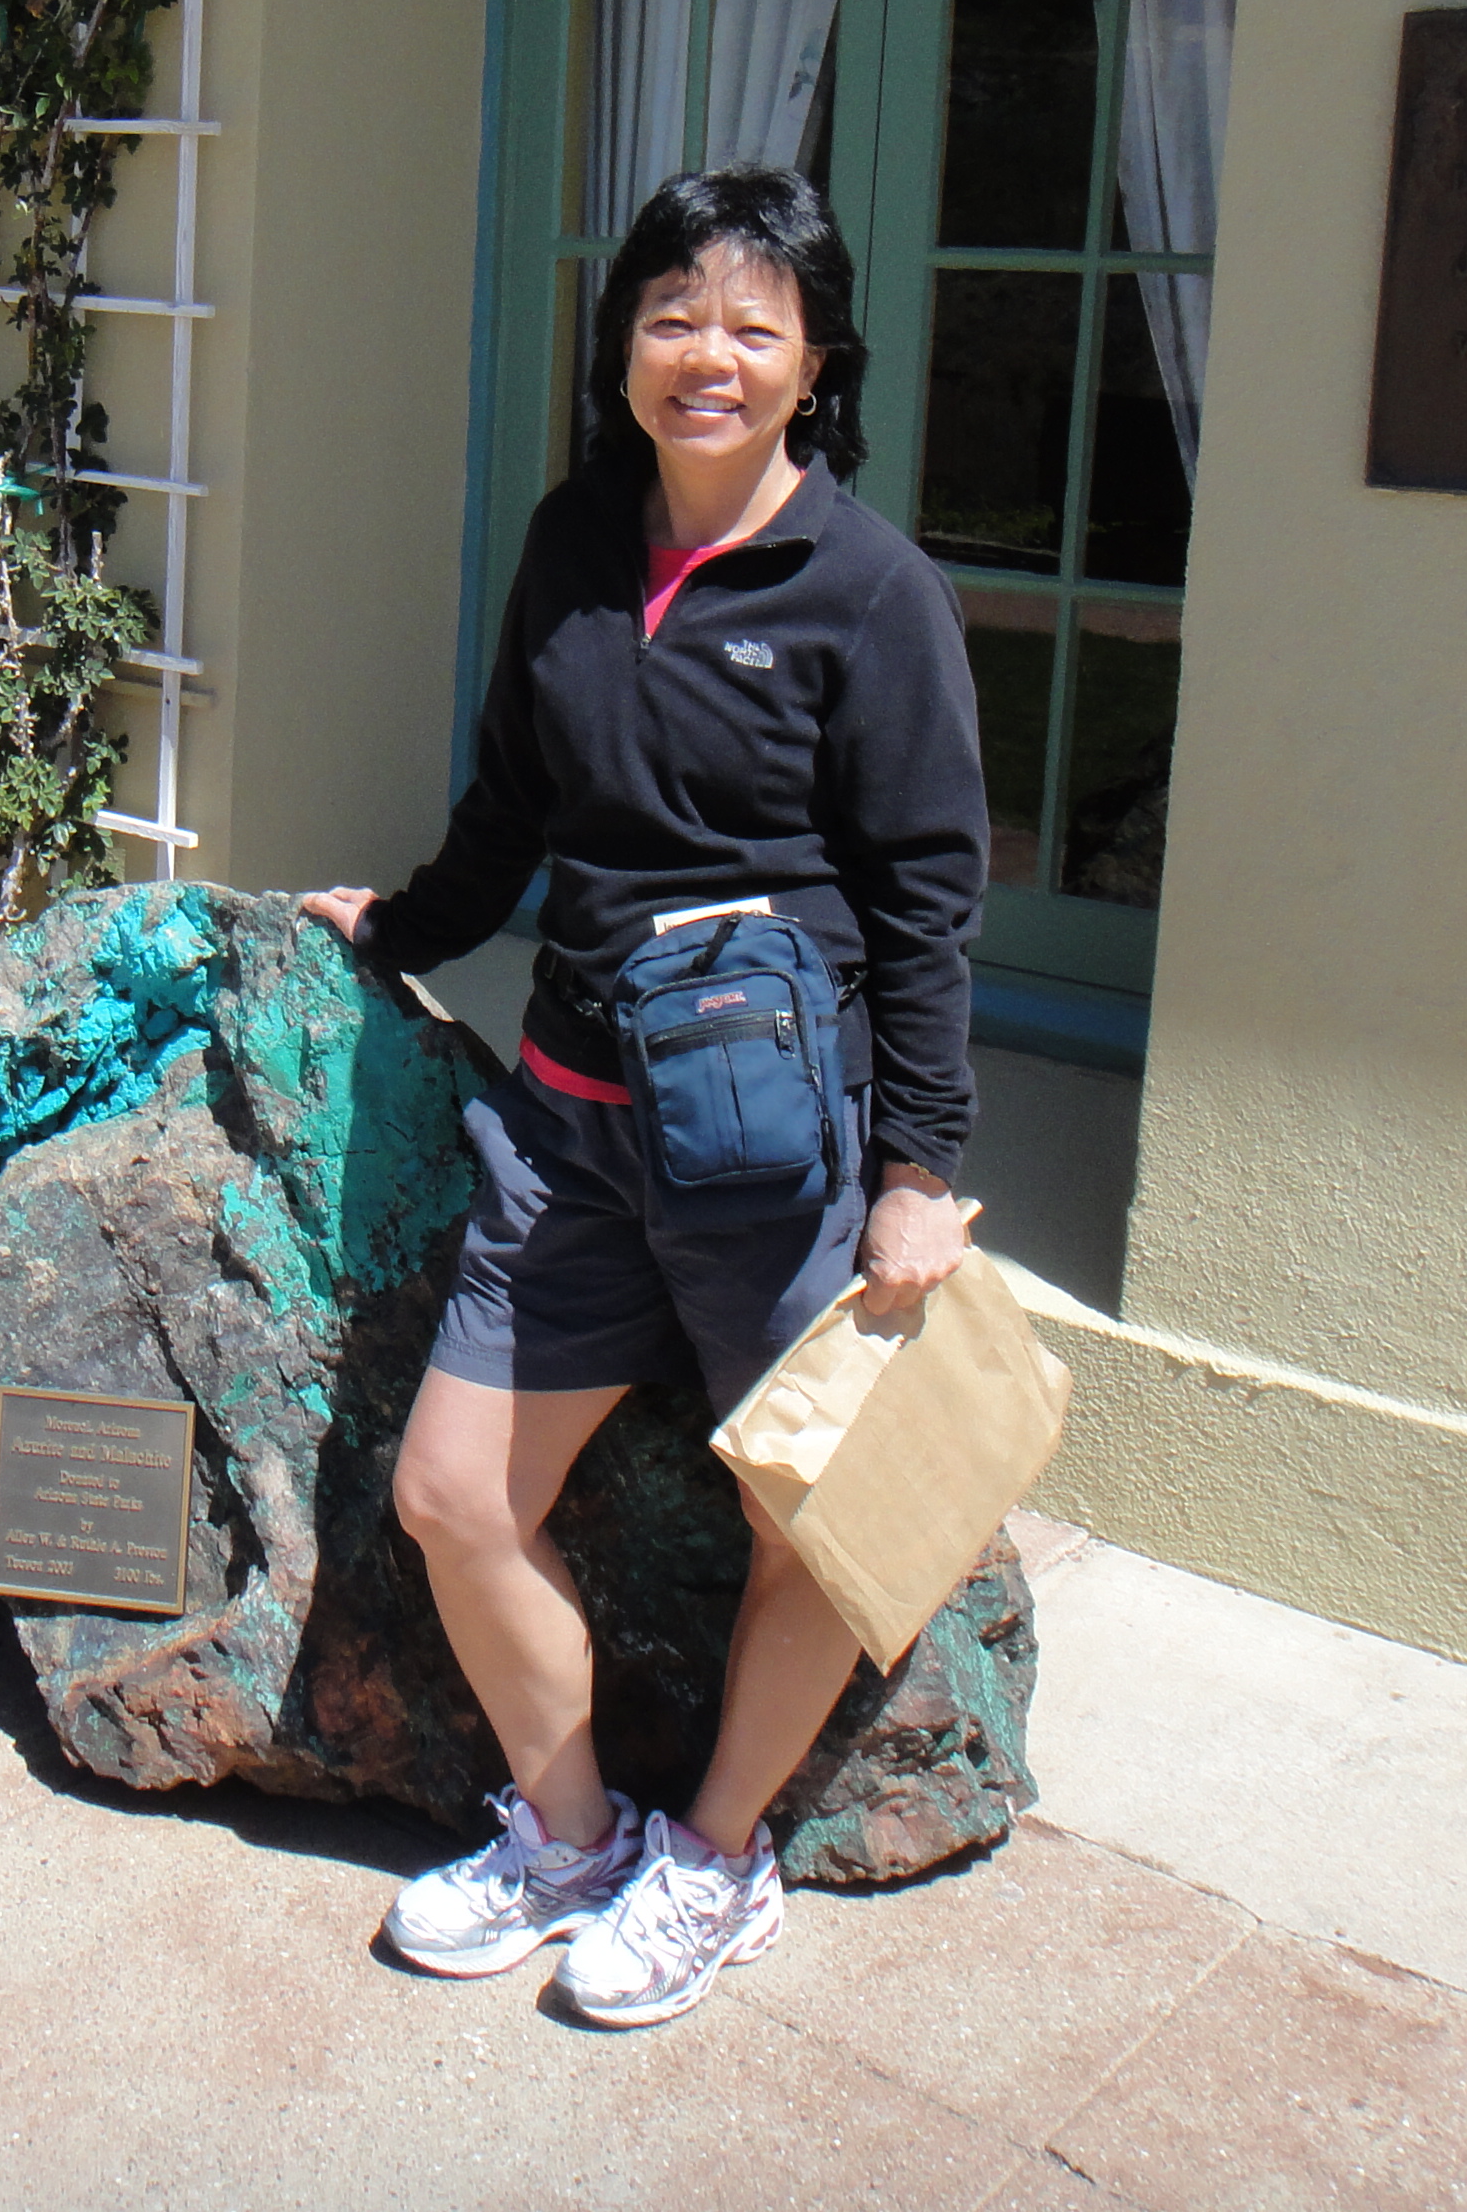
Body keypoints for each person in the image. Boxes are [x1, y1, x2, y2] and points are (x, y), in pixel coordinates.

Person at [301, 164, 986, 2029]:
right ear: (621, 350)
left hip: (778, 1150)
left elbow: (927, 902)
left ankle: (718, 1858)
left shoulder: (873, 593)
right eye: (673, 316)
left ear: (817, 363)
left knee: (808, 1523)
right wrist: (405, 928)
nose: (710, 355)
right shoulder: (573, 542)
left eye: (754, 326)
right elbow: (515, 798)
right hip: (573, 1127)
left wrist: (918, 1166)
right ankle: (576, 1838)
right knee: (455, 1493)